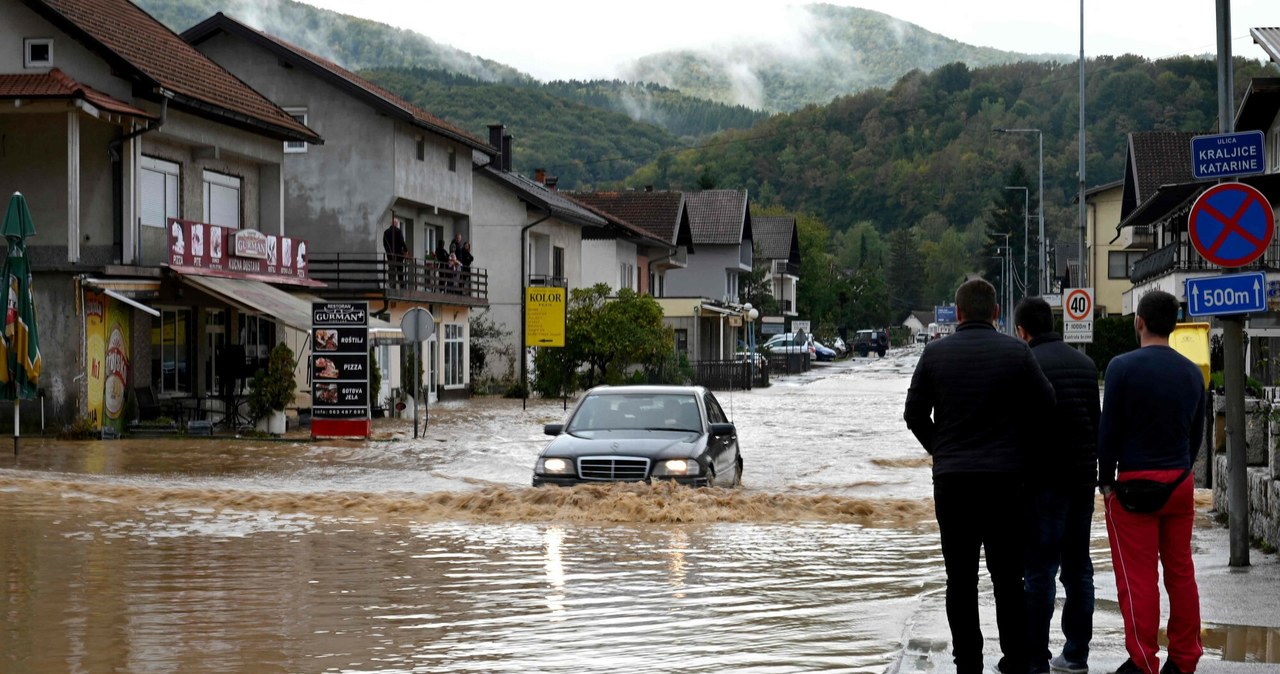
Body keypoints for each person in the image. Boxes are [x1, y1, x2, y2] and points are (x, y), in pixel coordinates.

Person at [904, 278, 1055, 674]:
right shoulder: (1017, 353)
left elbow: (913, 414)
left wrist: (940, 447)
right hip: (1006, 482)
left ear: (957, 313)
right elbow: (1047, 403)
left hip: (953, 482)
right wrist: (1019, 445)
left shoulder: (935, 355)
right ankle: (1016, 657)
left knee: (961, 578)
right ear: (995, 313)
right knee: (1008, 576)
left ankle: (967, 661)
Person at [1098, 290, 1205, 674]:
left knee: (1138, 578)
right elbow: (1197, 434)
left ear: (1138, 321)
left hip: (1133, 486)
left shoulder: (1121, 367)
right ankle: (1185, 658)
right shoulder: (1192, 371)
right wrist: (1182, 470)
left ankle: (1144, 660)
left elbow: (1107, 431)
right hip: (1179, 481)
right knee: (1181, 572)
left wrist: (1106, 481)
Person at [1013, 297, 1100, 674]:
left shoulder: (1024, 365)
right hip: (1081, 480)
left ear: (1022, 331)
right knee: (1079, 570)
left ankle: (1037, 658)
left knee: (1039, 573)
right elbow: (1095, 425)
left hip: (1040, 483)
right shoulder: (1085, 365)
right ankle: (1077, 655)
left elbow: (1016, 429)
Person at [382, 217, 408, 287]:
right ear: (396, 224)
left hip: (390, 255)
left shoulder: (386, 232)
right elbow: (402, 242)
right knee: (400, 270)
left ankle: (392, 285)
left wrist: (388, 252)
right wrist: (406, 250)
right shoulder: (398, 231)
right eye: (397, 224)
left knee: (391, 270)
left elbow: (384, 244)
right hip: (399, 255)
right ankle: (401, 286)